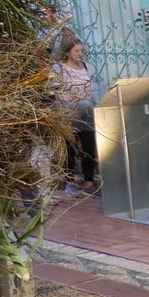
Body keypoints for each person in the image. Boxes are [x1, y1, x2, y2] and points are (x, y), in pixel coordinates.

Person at [50, 38, 99, 193]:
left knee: (89, 147)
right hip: (68, 113)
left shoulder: (87, 68)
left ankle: (89, 182)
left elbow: (92, 90)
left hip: (86, 114)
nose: (80, 54)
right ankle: (69, 181)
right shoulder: (58, 68)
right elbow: (55, 91)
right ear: (67, 52)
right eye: (76, 51)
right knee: (69, 147)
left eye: (81, 50)